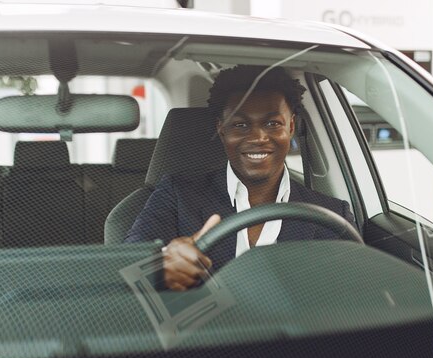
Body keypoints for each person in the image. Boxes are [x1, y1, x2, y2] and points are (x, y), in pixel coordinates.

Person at [125, 65, 357, 291]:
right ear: (221, 129)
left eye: (272, 123)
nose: (258, 137)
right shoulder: (177, 195)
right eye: (240, 124)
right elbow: (126, 262)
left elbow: (354, 298)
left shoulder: (332, 215)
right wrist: (161, 264)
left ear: (291, 126)